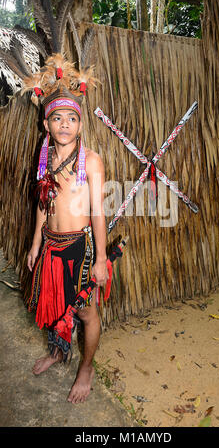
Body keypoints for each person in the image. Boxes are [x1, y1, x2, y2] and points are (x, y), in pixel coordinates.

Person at [25, 54, 108, 404]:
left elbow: (98, 212)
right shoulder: (45, 158)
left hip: (81, 248)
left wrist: (102, 258)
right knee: (56, 303)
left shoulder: (90, 161)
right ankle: (58, 351)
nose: (63, 124)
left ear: (80, 124)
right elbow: (45, 204)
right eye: (56, 118)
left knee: (86, 311)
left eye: (71, 118)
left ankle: (86, 367)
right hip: (50, 245)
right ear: (47, 124)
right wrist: (34, 244)